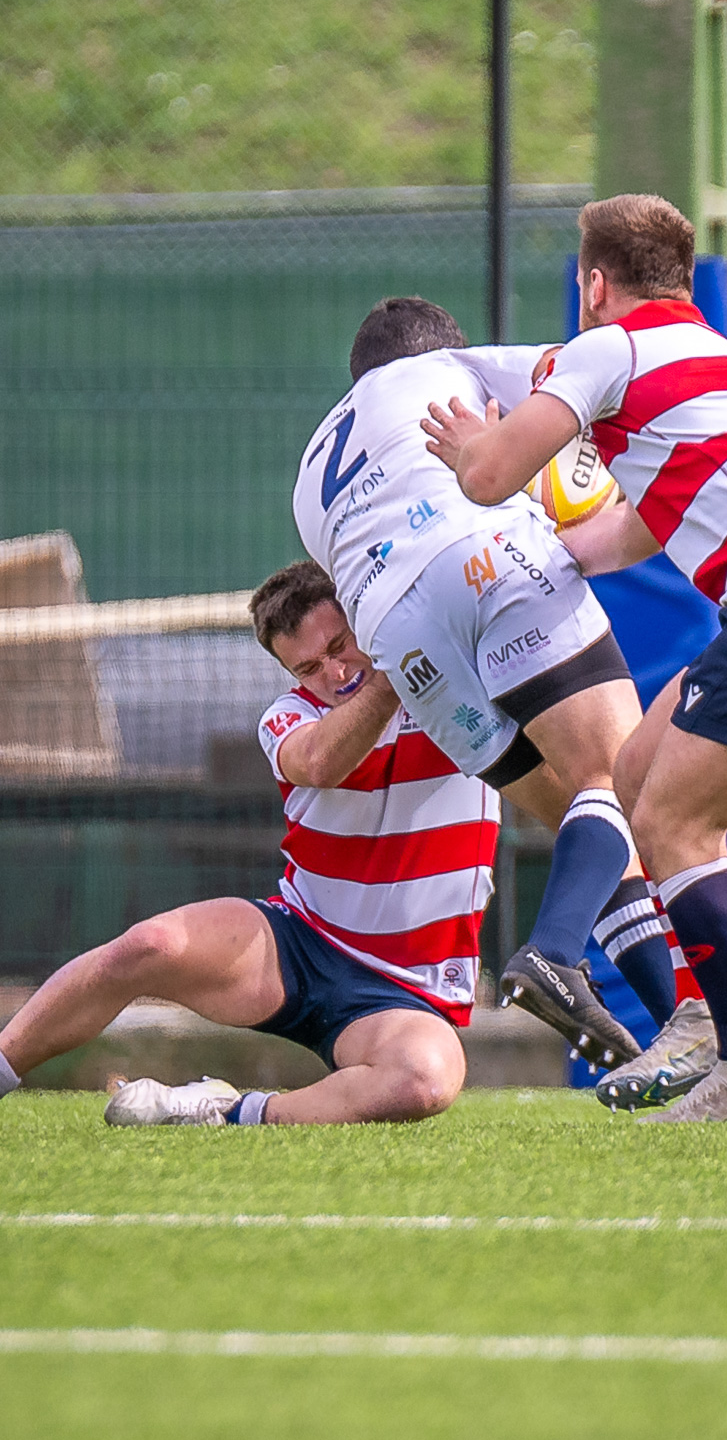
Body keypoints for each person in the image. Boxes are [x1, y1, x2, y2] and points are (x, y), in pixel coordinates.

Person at [422, 193, 727, 1124]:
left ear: (594, 285)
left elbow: (488, 476)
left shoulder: (607, 347)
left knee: (673, 825)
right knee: (633, 772)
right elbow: (640, 529)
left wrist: (467, 446)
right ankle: (700, 1014)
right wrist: (553, 554)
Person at [0, 562, 503, 1131]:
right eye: (308, 668)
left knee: (424, 1079)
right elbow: (320, 761)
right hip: (299, 942)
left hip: (404, 987)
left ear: (366, 620)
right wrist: (392, 675)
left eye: (340, 646)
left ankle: (226, 1110)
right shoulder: (288, 718)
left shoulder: (460, 688)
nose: (334, 674)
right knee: (149, 945)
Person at [291, 296, 687, 1071]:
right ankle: (553, 953)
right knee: (619, 779)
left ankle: (686, 1038)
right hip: (484, 554)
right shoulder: (446, 369)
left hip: (401, 640)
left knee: (589, 822)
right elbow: (587, 371)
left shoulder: (309, 471)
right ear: (435, 349)